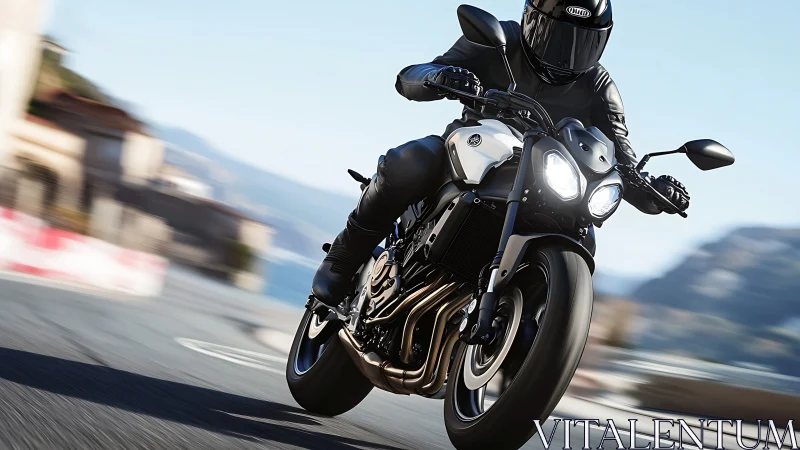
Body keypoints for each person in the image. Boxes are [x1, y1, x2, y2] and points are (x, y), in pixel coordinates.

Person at [312, 0, 690, 306]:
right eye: (557, 36)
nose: (567, 53)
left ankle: (528, 334)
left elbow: (621, 155)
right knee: (409, 162)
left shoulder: (599, 86)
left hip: (546, 179)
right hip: (473, 150)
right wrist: (440, 77)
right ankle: (343, 258)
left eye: (582, 43)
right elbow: (411, 76)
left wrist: (653, 189)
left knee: (582, 235)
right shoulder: (499, 40)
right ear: (531, 19)